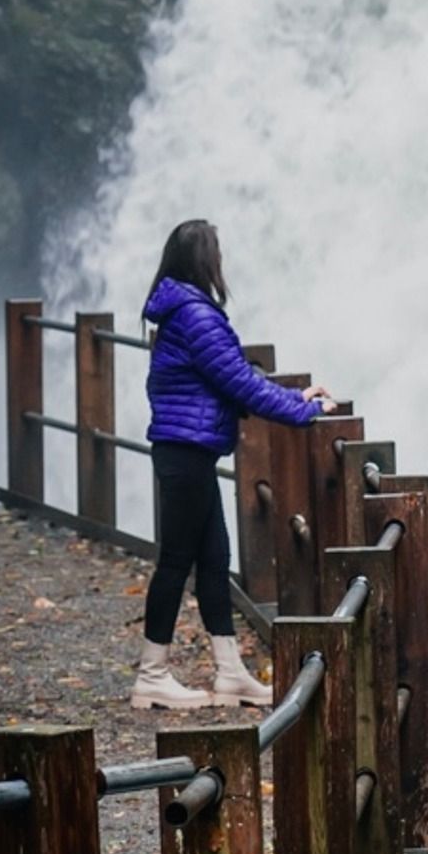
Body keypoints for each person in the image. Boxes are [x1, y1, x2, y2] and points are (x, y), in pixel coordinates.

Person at [134, 219, 331, 710]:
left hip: (189, 452)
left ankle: (230, 674)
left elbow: (233, 375)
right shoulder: (195, 316)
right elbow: (240, 383)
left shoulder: (182, 311)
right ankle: (151, 676)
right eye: (217, 252)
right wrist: (304, 412)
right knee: (176, 561)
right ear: (205, 259)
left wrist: (295, 397)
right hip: (186, 452)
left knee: (214, 559)